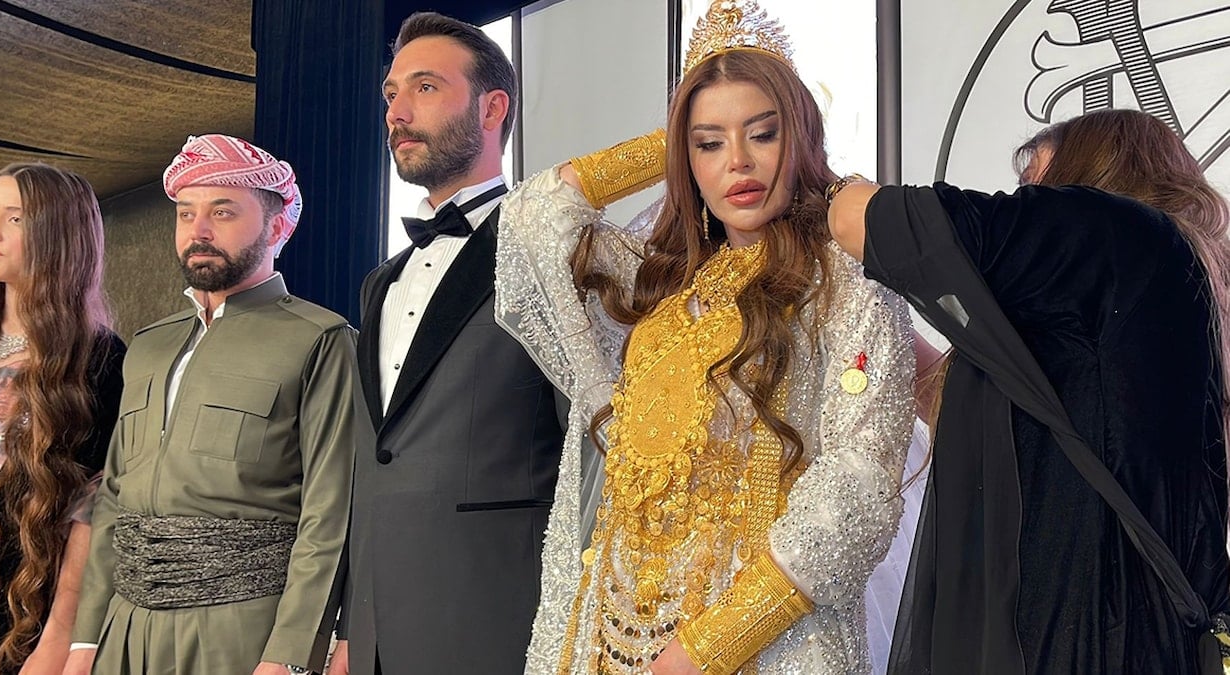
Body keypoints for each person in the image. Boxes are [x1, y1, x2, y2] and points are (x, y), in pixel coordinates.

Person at [494, 1, 916, 672]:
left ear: (801, 136)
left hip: (766, 646)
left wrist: (708, 647)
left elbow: (858, 487)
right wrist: (673, 141)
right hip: (615, 636)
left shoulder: (846, 277)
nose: (738, 162)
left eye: (764, 134)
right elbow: (533, 218)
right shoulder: (662, 283)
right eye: (709, 144)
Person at [828, 108, 1230, 673]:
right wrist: (874, 326)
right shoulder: (1159, 294)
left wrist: (820, 182)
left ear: (1088, 175)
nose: (1022, 201)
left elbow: (871, 221)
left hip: (1087, 632)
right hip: (1125, 630)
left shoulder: (1112, 231)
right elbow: (978, 414)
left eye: (1033, 182)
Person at [64, 134, 366, 675]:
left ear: (278, 226)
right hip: (124, 630)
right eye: (186, 213)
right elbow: (113, 499)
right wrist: (86, 641)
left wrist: (290, 654)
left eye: (222, 212)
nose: (198, 231)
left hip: (244, 630)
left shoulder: (321, 339)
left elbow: (331, 513)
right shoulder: (148, 346)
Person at [328, 12, 566, 675]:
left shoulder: (551, 247)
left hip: (500, 623)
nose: (397, 112)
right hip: (376, 635)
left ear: (492, 109)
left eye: (425, 87)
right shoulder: (380, 282)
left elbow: (592, 452)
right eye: (391, 93)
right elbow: (376, 459)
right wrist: (352, 627)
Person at [0, 163, 124, 675]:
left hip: (25, 608)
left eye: (15, 218)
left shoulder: (100, 359)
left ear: (60, 235)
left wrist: (60, 637)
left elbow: (95, 511)